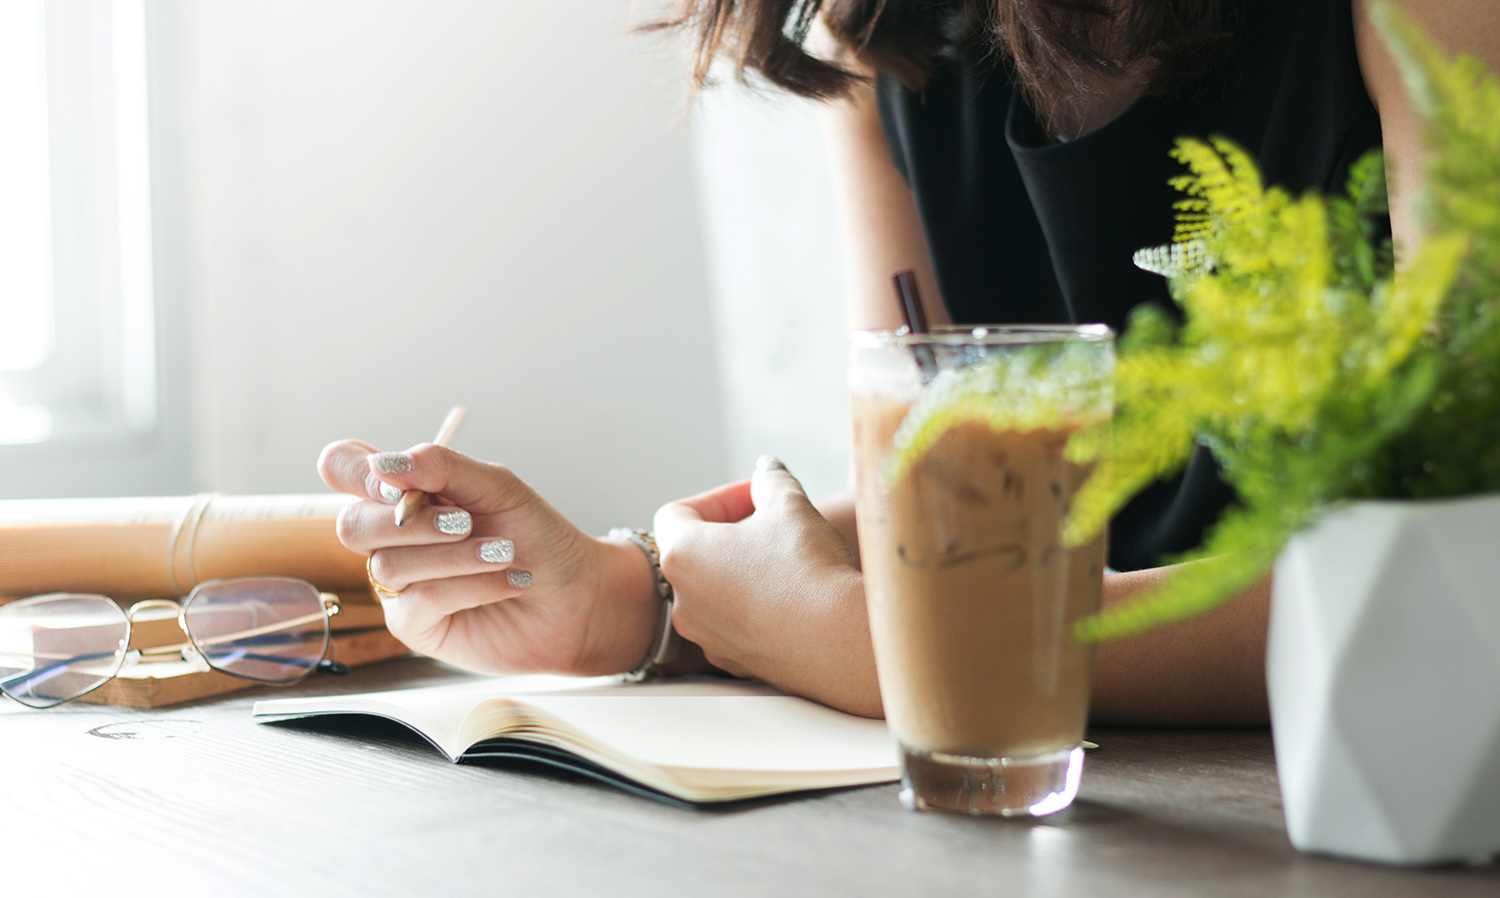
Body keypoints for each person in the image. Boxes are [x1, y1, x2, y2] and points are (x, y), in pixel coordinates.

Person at [320, 0, 1498, 724]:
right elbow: (946, 487)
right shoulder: (885, 33)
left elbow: (1446, 575)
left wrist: (899, 652)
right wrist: (638, 600)